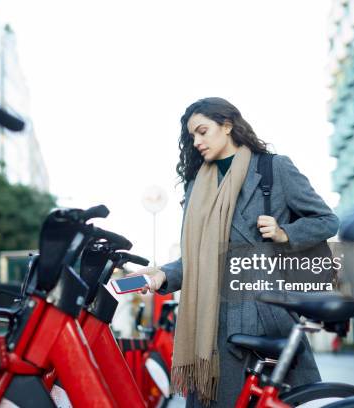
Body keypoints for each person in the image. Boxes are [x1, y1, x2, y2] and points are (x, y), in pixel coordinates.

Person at [138, 97, 339, 407]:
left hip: (265, 314)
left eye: (203, 131)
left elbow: (327, 220)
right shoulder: (196, 186)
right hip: (210, 324)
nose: (197, 141)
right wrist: (163, 275)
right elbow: (196, 257)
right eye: (192, 136)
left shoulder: (273, 168)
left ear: (228, 125)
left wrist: (285, 233)